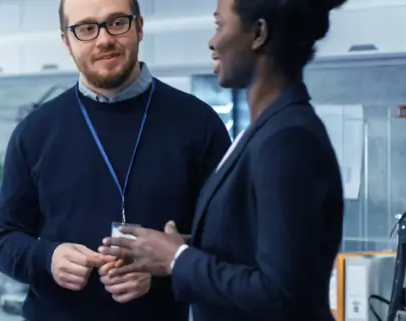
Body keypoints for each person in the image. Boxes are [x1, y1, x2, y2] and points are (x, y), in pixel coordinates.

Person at [98, 0, 346, 320]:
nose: (213, 43)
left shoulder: (288, 140)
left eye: (219, 25)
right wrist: (173, 249)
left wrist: (178, 258)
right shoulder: (262, 130)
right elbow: (248, 251)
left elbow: (282, 295)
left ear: (258, 33)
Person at [0, 0, 232, 320]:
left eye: (117, 22)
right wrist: (47, 257)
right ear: (67, 41)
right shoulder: (33, 132)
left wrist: (166, 272)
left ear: (139, 28)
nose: (104, 39)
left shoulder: (199, 123)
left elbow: (230, 245)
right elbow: (4, 241)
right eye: (86, 28)